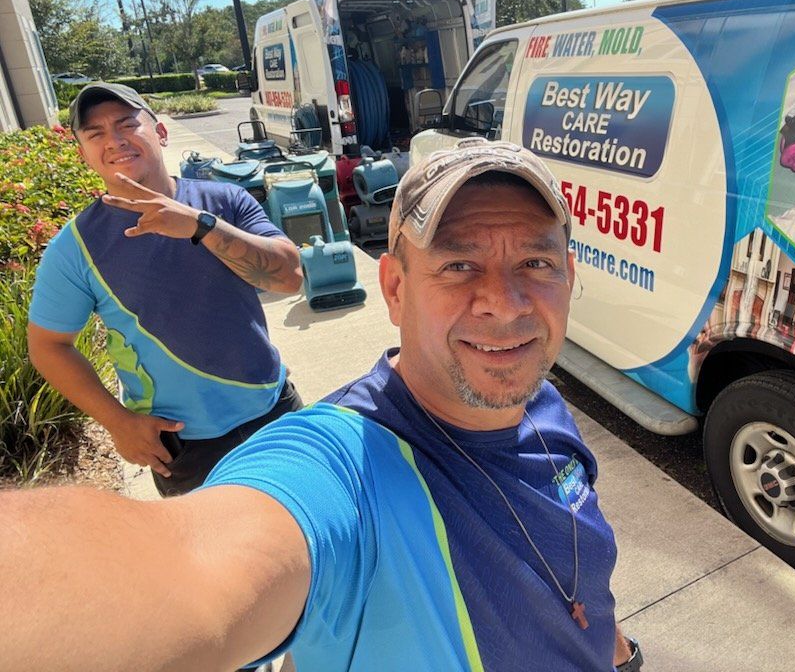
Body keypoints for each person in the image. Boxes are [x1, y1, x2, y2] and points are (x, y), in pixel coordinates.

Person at [1, 137, 642, 671]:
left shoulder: (544, 406)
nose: (504, 302)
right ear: (395, 289)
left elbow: (573, 568)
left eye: (535, 262)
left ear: (568, 277)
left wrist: (615, 651)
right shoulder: (343, 465)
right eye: (457, 266)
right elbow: (187, 579)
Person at [26, 82, 304, 496]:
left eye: (127, 124)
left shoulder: (224, 202)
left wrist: (200, 227)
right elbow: (48, 345)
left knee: (320, 531)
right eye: (95, 133)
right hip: (186, 449)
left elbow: (289, 277)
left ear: (160, 132)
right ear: (83, 154)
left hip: (275, 412)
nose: (114, 140)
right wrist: (118, 422)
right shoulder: (76, 247)